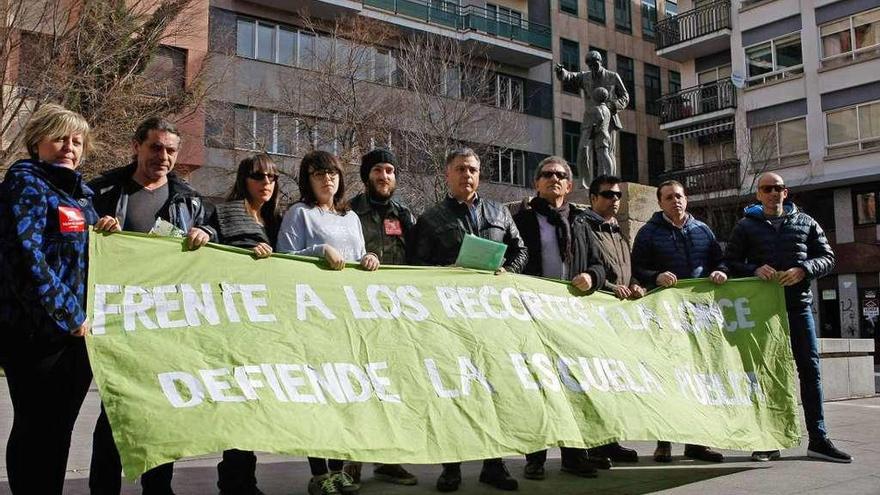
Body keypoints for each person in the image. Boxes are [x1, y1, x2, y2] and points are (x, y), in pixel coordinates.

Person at [88, 116, 216, 495]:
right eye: (155, 147)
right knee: (114, 407)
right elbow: (76, 233)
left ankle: (158, 487)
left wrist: (205, 232)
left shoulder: (190, 200)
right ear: (137, 146)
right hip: (117, 318)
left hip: (166, 320)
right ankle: (102, 488)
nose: (163, 156)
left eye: (171, 150)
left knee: (163, 406)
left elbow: (217, 233)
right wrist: (97, 227)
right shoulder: (104, 190)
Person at [0, 104, 118, 494]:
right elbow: (25, 255)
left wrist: (101, 231)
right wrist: (68, 314)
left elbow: (79, 255)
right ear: (37, 143)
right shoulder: (25, 183)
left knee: (60, 427)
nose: (70, 147)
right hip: (37, 332)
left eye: (77, 141)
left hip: (77, 334)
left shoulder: (82, 196)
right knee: (36, 426)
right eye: (60, 138)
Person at [412, 148, 527, 492]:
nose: (467, 175)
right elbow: (415, 267)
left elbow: (520, 250)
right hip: (450, 320)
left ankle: (494, 464)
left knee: (495, 390)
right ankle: (452, 467)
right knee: (454, 391)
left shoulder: (499, 213)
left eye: (473, 169)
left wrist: (509, 269)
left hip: (492, 318)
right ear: (448, 175)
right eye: (460, 169)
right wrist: (442, 273)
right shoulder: (430, 218)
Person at [724, 173, 851, 464]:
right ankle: (769, 440)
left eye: (777, 188)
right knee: (766, 375)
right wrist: (754, 269)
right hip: (762, 314)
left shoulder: (806, 222)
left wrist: (804, 269)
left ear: (786, 193)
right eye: (766, 189)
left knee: (810, 372)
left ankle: (818, 440)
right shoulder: (745, 227)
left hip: (798, 308)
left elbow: (828, 257)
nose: (772, 193)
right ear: (758, 194)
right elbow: (730, 262)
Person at [276, 150, 379, 495]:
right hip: (313, 317)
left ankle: (339, 469)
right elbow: (283, 260)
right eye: (319, 174)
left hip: (348, 318)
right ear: (308, 179)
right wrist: (318, 251)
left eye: (332, 173)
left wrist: (369, 258)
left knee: (344, 394)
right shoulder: (298, 214)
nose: (327, 179)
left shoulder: (350, 217)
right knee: (318, 396)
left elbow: (357, 256)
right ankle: (319, 473)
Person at [511, 156, 606, 480]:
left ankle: (573, 456)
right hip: (531, 316)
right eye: (547, 174)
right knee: (537, 388)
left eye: (561, 175)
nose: (554, 178)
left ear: (569, 185)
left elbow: (599, 264)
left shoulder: (580, 223)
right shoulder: (522, 220)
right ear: (537, 183)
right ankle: (535, 458)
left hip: (570, 320)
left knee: (572, 387)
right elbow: (512, 259)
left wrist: (592, 278)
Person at [631, 180, 727, 464]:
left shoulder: (703, 230)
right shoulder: (648, 234)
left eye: (680, 196)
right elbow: (637, 268)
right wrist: (656, 276)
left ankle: (698, 442)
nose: (676, 201)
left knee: (701, 376)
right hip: (666, 316)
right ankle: (664, 442)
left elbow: (720, 261)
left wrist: (721, 272)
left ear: (687, 200)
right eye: (670, 197)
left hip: (699, 316)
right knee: (667, 376)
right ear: (660, 203)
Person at [343, 148, 418, 487]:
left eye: (390, 170)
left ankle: (390, 460)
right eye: (377, 170)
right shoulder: (348, 212)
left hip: (396, 315)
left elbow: (421, 261)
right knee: (358, 387)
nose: (384, 176)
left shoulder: (406, 215)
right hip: (357, 313)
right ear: (366, 176)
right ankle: (351, 461)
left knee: (394, 386)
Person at [209, 154, 284, 495]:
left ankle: (246, 479)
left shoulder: (276, 219)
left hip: (265, 325)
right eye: (258, 177)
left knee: (254, 405)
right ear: (244, 179)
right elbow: (210, 240)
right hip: (234, 321)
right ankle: (234, 481)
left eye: (271, 177)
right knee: (238, 403)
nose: (266, 183)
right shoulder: (226, 213)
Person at [582, 175, 643, 465]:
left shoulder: (618, 231)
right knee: (593, 381)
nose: (614, 200)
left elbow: (626, 271)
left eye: (617, 195)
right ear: (593, 198)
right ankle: (592, 444)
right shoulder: (583, 226)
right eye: (607, 195)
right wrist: (609, 288)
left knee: (612, 381)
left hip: (618, 317)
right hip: (594, 313)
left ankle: (610, 440)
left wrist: (636, 285)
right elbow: (586, 270)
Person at [554, 50, 629, 187]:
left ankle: (606, 182)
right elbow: (570, 76)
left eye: (595, 64)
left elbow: (625, 97)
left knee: (605, 151)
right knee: (583, 149)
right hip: (590, 118)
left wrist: (611, 106)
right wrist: (561, 72)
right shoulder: (585, 77)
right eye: (590, 65)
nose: (593, 67)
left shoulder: (612, 76)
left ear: (600, 62)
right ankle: (585, 183)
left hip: (608, 118)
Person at [585, 87, 614, 179]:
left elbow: (600, 118)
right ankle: (601, 177)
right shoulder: (607, 109)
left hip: (600, 134)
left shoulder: (597, 109)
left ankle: (610, 175)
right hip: (605, 134)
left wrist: (593, 126)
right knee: (600, 157)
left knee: (604, 155)